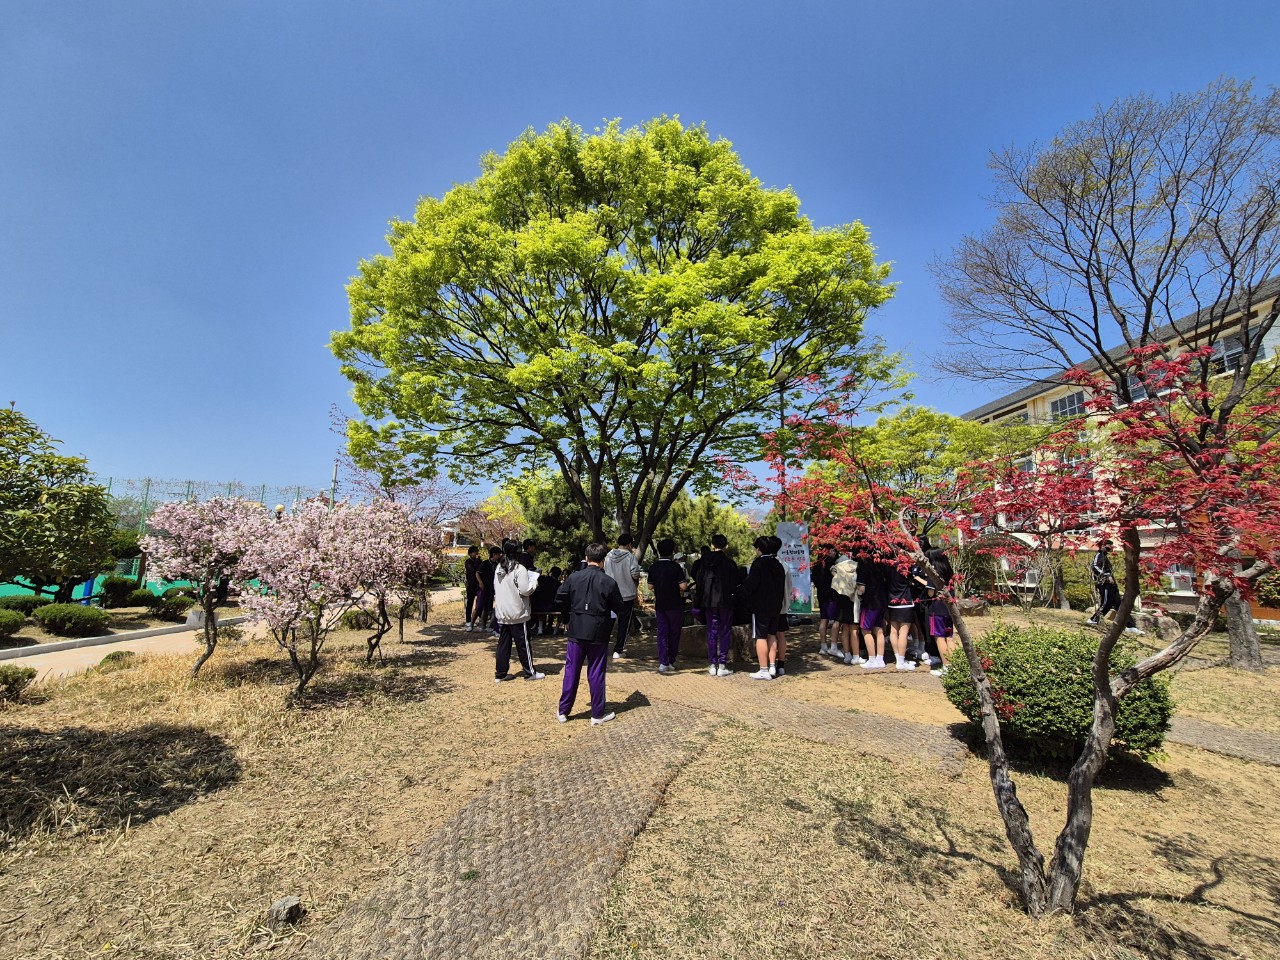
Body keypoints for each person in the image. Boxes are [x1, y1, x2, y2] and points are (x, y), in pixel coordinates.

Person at [556, 542, 626, 725]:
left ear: (586, 558)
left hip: (577, 628)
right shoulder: (608, 582)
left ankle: (563, 711)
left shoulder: (574, 577)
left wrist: (567, 615)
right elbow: (620, 607)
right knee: (596, 671)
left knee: (571, 670)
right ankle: (597, 714)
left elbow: (560, 598)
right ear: (603, 560)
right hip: (598, 631)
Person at [493, 542, 542, 681]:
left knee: (503, 644)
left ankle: (500, 673)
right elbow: (525, 590)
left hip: (503, 611)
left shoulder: (499, 567)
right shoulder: (519, 569)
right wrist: (534, 582)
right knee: (523, 644)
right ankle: (530, 672)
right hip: (517, 612)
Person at [742, 536, 786, 680]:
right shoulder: (778, 564)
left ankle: (763, 669)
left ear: (759, 549)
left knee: (760, 637)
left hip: (760, 606)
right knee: (772, 634)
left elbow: (750, 584)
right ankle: (772, 666)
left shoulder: (759, 563)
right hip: (776, 606)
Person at [698, 534, 741, 676]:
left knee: (712, 631)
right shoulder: (730, 563)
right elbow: (736, 583)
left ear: (712, 545)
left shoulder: (704, 562)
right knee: (725, 631)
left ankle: (712, 664)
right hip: (726, 601)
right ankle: (722, 665)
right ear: (726, 546)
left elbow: (699, 581)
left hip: (709, 601)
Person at [647, 538, 687, 674]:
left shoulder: (653, 567)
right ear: (672, 551)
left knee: (662, 632)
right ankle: (671, 660)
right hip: (675, 604)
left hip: (660, 604)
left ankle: (663, 661)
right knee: (674, 633)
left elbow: (650, 586)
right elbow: (683, 586)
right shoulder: (676, 567)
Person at [604, 534, 642, 660]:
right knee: (623, 623)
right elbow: (635, 574)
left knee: (607, 621)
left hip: (610, 595)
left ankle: (602, 646)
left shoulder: (608, 556)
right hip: (626, 595)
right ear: (629, 544)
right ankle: (618, 650)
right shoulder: (630, 557)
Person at [925, 548, 957, 676]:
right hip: (950, 608)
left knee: (939, 638)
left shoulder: (934, 573)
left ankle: (946, 666)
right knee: (949, 637)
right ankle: (955, 665)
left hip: (937, 609)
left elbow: (930, 593)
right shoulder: (949, 570)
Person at [885, 555, 918, 670]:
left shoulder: (887, 567)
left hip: (892, 602)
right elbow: (911, 580)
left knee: (893, 631)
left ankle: (898, 658)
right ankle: (901, 660)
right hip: (905, 602)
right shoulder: (904, 567)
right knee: (903, 633)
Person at [830, 548, 862, 665]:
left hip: (842, 602)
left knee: (845, 629)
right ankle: (856, 656)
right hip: (853, 602)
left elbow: (834, 586)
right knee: (854, 630)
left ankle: (847, 655)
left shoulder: (837, 571)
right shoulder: (856, 568)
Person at [858, 552, 889, 669]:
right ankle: (880, 659)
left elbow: (861, 589)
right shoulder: (880, 568)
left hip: (869, 604)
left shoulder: (863, 569)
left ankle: (871, 659)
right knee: (879, 630)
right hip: (881, 603)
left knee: (865, 630)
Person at [770, 534, 793, 676]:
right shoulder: (785, 565)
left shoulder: (766, 564)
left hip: (769, 606)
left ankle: (770, 665)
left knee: (770, 635)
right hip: (783, 605)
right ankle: (781, 664)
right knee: (781, 634)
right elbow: (789, 586)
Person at [812, 544, 838, 655]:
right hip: (832, 595)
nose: (834, 553)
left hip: (821, 595)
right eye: (832, 550)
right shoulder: (832, 564)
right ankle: (833, 646)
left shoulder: (816, 564)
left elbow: (814, 579)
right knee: (835, 621)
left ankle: (823, 646)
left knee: (824, 620)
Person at [531, 565, 563, 635]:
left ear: (551, 573)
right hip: (554, 606)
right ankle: (556, 630)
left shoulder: (543, 579)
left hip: (541, 606)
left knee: (540, 605)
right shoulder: (559, 584)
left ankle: (540, 629)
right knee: (561, 609)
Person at [474, 545, 501, 633]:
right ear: (494, 554)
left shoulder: (497, 565)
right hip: (483, 588)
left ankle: (483, 626)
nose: (499, 556)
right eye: (498, 554)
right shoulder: (485, 563)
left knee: (487, 609)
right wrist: (480, 582)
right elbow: (477, 573)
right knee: (479, 607)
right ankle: (471, 624)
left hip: (491, 589)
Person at [463, 545, 482, 631]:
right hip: (471, 585)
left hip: (478, 585)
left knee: (479, 602)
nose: (476, 554)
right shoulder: (468, 562)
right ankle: (468, 620)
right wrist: (477, 562)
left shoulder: (479, 561)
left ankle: (480, 618)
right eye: (474, 552)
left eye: (476, 552)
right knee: (470, 603)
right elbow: (473, 570)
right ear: (470, 553)